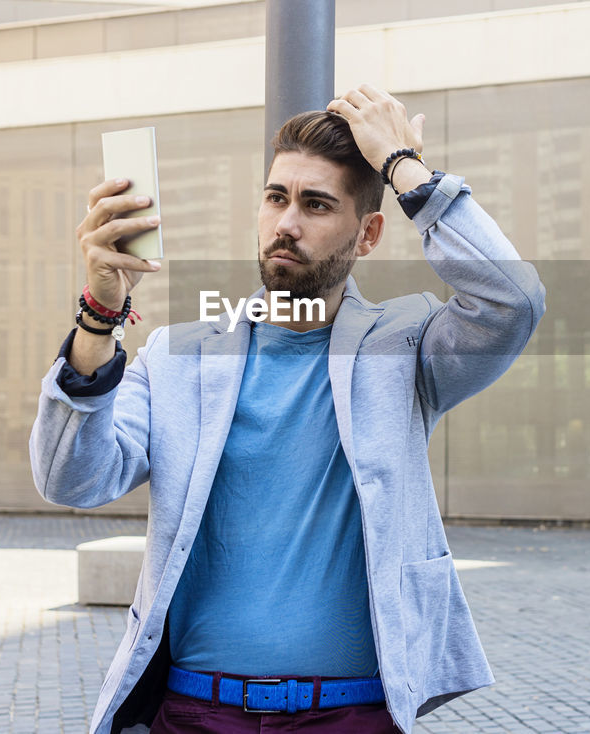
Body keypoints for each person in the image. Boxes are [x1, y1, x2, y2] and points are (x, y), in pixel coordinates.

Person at [29, 85, 545, 734]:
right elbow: (71, 478)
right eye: (276, 198)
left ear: (368, 233)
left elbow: (514, 301)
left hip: (351, 716)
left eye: (316, 204)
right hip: (194, 714)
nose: (287, 224)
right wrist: (100, 316)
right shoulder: (178, 356)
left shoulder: (405, 347)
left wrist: (405, 166)